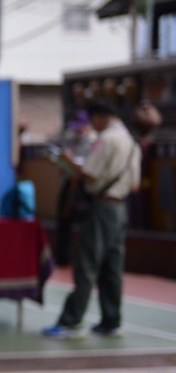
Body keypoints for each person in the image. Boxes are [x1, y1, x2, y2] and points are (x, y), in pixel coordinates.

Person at [43, 101, 141, 339]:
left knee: (87, 264)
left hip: (101, 208)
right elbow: (135, 185)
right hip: (120, 208)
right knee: (112, 267)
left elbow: (90, 172)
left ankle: (72, 321)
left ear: (98, 117)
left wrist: (67, 161)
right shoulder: (131, 143)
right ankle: (111, 321)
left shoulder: (105, 139)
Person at [50, 110, 97, 265]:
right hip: (70, 183)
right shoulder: (69, 136)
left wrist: (70, 160)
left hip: (84, 187)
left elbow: (86, 166)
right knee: (64, 219)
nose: (77, 130)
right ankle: (63, 257)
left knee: (86, 222)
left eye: (80, 127)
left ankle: (85, 259)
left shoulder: (93, 141)